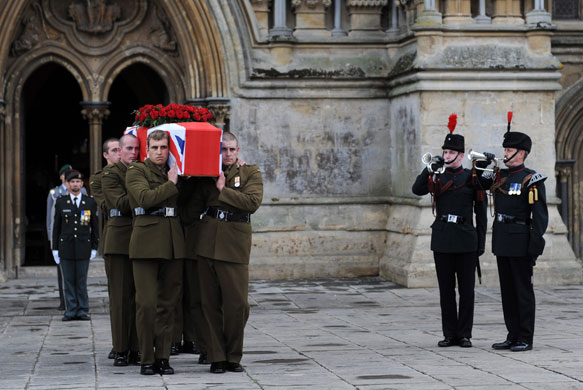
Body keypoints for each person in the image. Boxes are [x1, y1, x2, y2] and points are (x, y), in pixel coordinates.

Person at [412, 114, 487, 348]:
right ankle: (449, 333)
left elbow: (482, 212)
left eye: (450, 153)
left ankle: (464, 334)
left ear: (461, 155)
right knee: (446, 291)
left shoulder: (471, 177)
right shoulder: (437, 175)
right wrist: (428, 169)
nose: (446, 156)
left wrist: (481, 243)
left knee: (466, 291)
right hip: (443, 237)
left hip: (466, 238)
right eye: (444, 153)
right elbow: (417, 190)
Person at [191, 131, 263, 374]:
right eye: (224, 150)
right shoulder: (205, 175)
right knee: (209, 304)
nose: (228, 154)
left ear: (238, 151)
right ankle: (216, 356)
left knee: (238, 305)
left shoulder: (250, 172)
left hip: (234, 245)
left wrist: (223, 189)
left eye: (232, 149)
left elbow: (252, 202)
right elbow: (190, 208)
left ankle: (233, 354)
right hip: (207, 242)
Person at [479, 113, 548, 352]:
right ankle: (512, 334)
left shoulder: (532, 179)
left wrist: (534, 247)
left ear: (522, 153)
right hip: (503, 240)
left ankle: (525, 338)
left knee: (522, 292)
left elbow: (540, 217)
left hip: (521, 241)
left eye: (509, 150)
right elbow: (481, 183)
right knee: (507, 292)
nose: (505, 153)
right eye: (505, 149)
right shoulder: (500, 175)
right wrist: (485, 165)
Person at [126, 130, 185, 375]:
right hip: (146, 242)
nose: (160, 152)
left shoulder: (177, 169)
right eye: (155, 147)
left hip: (172, 242)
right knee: (147, 304)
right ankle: (146, 358)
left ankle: (162, 356)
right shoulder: (136, 171)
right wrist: (171, 184)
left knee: (167, 304)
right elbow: (143, 198)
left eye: (163, 147)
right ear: (146, 150)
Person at [101, 134, 140, 366]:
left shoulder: (142, 171)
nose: (132, 153)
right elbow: (121, 203)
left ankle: (137, 347)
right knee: (120, 298)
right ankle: (121, 347)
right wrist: (145, 194)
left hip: (142, 237)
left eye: (136, 148)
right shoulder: (110, 175)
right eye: (126, 149)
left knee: (139, 297)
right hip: (119, 239)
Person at [52, 170, 99, 321]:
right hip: (66, 247)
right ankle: (70, 310)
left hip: (83, 247)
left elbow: (95, 226)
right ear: (67, 184)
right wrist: (55, 249)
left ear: (82, 183)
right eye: (72, 182)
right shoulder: (61, 202)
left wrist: (94, 247)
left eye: (78, 182)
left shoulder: (90, 202)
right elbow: (56, 228)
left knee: (81, 280)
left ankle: (83, 310)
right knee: (68, 281)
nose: (75, 184)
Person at [89, 137, 120, 360]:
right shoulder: (99, 179)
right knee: (118, 296)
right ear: (106, 156)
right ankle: (119, 343)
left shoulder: (136, 173)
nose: (120, 153)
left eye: (124, 149)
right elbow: (107, 204)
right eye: (115, 150)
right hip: (116, 236)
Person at [47, 164, 87, 310]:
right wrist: (53, 242)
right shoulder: (54, 193)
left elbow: (86, 214)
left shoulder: (82, 192)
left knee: (80, 274)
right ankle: (65, 301)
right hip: (63, 239)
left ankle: (79, 302)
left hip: (79, 238)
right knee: (64, 273)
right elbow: (51, 220)